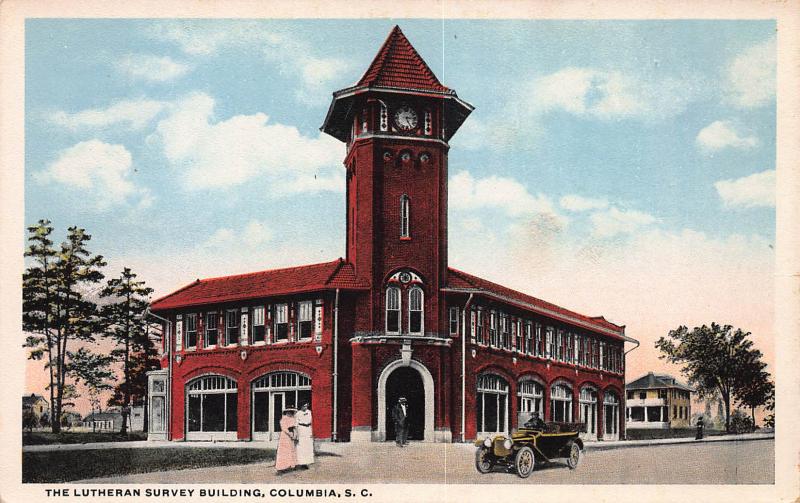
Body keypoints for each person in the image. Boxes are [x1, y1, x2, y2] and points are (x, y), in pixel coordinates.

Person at [275, 408, 298, 474]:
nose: (290, 413)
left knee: (292, 450)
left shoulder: (293, 419)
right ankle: (281, 467)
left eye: (291, 412)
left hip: (292, 435)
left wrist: (295, 435)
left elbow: (295, 427)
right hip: (285, 436)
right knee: (284, 451)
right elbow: (284, 428)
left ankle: (291, 465)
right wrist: (289, 434)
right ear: (286, 412)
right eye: (288, 412)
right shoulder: (283, 419)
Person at [295, 402, 314, 468]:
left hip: (307, 429)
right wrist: (297, 434)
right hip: (301, 429)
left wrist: (311, 432)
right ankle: (302, 462)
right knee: (302, 446)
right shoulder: (298, 413)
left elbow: (310, 422)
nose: (305, 407)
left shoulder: (309, 412)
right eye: (304, 406)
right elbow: (296, 424)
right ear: (301, 406)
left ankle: (307, 462)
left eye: (306, 406)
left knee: (308, 446)